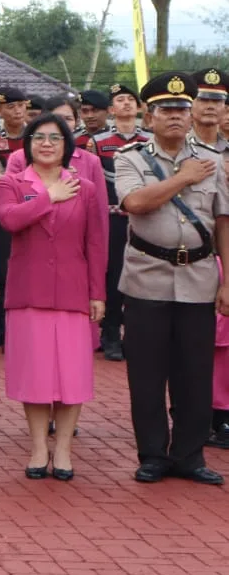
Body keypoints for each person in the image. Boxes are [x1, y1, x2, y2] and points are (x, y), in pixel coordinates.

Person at [115, 72, 229, 484]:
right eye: (167, 110)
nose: (177, 117)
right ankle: (152, 455)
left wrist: (226, 281)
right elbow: (136, 202)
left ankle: (190, 455)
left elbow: (223, 221)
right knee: (147, 373)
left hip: (199, 276)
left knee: (194, 372)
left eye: (183, 109)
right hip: (148, 277)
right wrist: (183, 178)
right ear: (150, 116)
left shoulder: (213, 160)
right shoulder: (130, 158)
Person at [0, 114, 105, 480]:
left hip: (73, 291)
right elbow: (9, 220)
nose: (46, 144)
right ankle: (39, 446)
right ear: (27, 144)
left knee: (72, 375)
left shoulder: (85, 187)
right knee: (37, 375)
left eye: (55, 138)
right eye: (38, 137)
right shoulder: (13, 182)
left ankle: (64, 451)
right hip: (29, 291)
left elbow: (95, 242)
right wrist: (47, 197)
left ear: (67, 146)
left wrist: (97, 292)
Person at [93, 83, 152, 361]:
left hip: (145, 217)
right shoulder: (98, 141)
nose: (126, 104)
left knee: (145, 275)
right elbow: (93, 183)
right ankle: (111, 332)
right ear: (111, 109)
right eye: (120, 100)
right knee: (114, 275)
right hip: (113, 220)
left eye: (131, 99)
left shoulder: (150, 139)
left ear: (140, 107)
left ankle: (138, 335)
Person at [190, 69, 229, 450]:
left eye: (218, 100)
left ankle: (222, 416)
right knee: (198, 343)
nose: (210, 107)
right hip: (195, 259)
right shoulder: (171, 149)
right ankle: (193, 414)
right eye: (203, 99)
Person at [0, 87, 31, 349]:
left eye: (21, 105)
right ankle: (1, 327)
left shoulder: (36, 136)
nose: (17, 111)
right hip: (2, 212)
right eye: (10, 107)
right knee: (2, 269)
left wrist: (9, 180)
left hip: (34, 212)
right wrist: (22, 181)